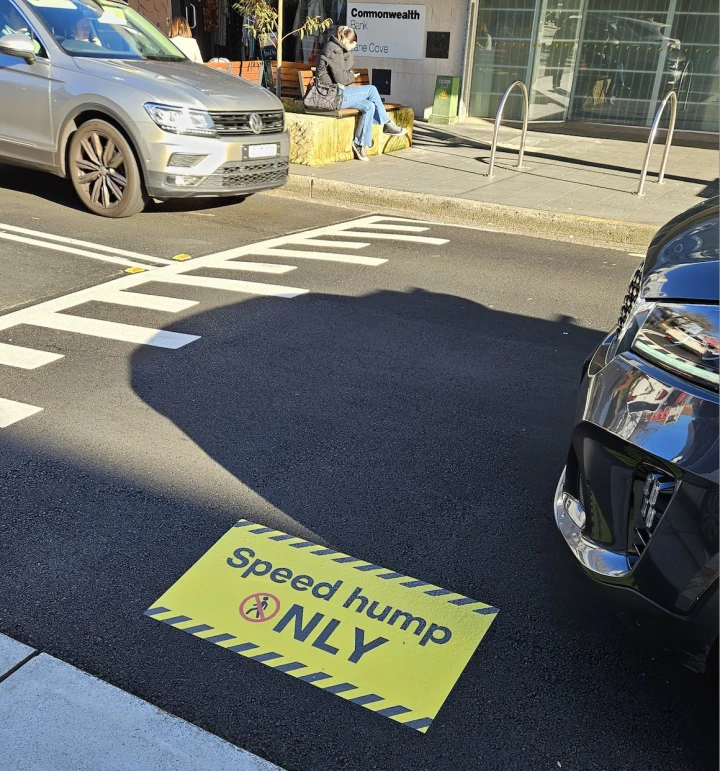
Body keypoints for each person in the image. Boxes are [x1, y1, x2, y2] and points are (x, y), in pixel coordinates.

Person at [316, 25, 406, 162]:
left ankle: (360, 143)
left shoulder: (337, 48)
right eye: (353, 46)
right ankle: (387, 123)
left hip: (335, 93)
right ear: (347, 41)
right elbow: (342, 78)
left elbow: (345, 68)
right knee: (372, 89)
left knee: (369, 106)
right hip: (332, 97)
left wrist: (349, 52)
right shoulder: (333, 50)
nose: (353, 49)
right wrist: (353, 77)